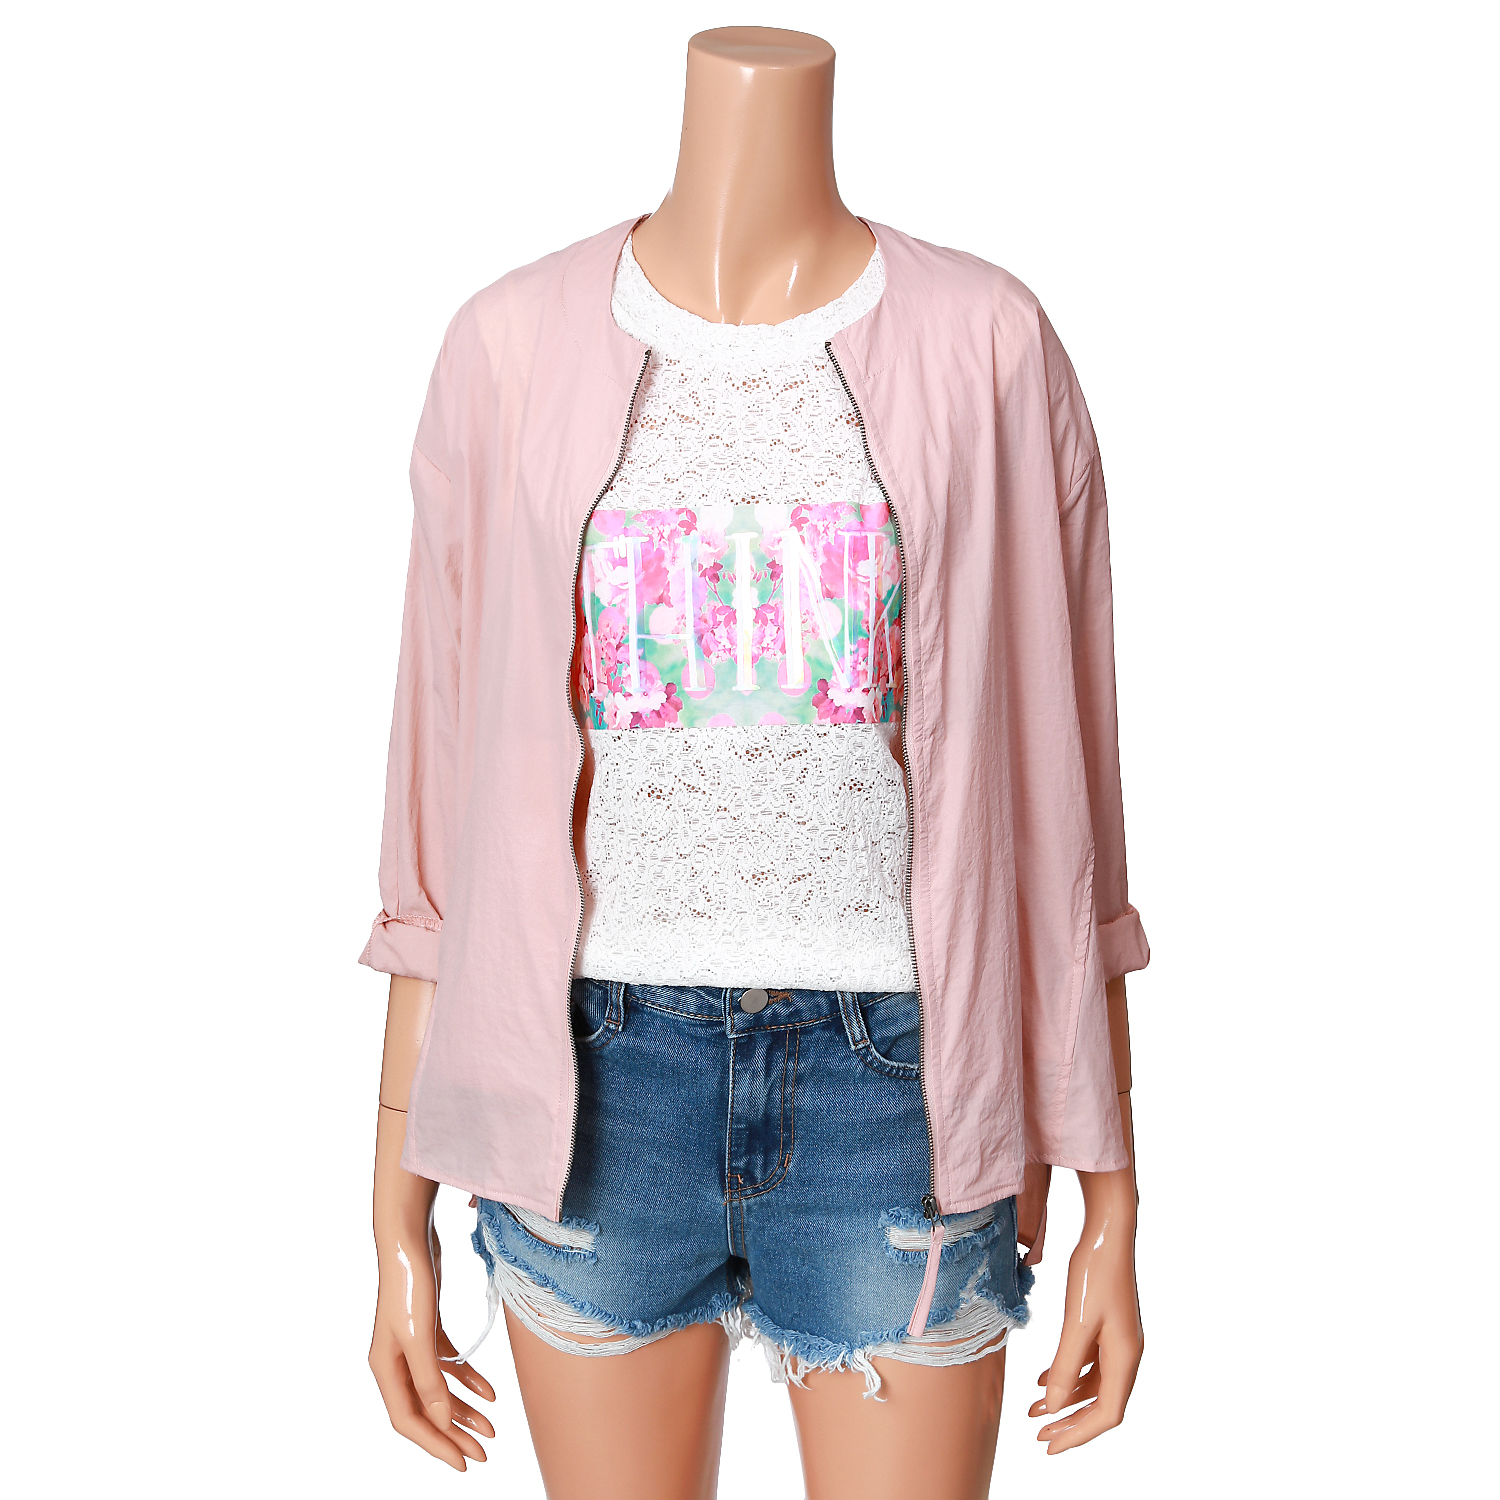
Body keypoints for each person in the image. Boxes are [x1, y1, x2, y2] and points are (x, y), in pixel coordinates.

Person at [364, 27, 1147, 1500]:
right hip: (588, 1087)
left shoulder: (987, 342)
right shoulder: (509, 345)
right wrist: (392, 1219)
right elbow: (439, 794)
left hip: (901, 1094)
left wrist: (1114, 1193)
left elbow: (1068, 804)